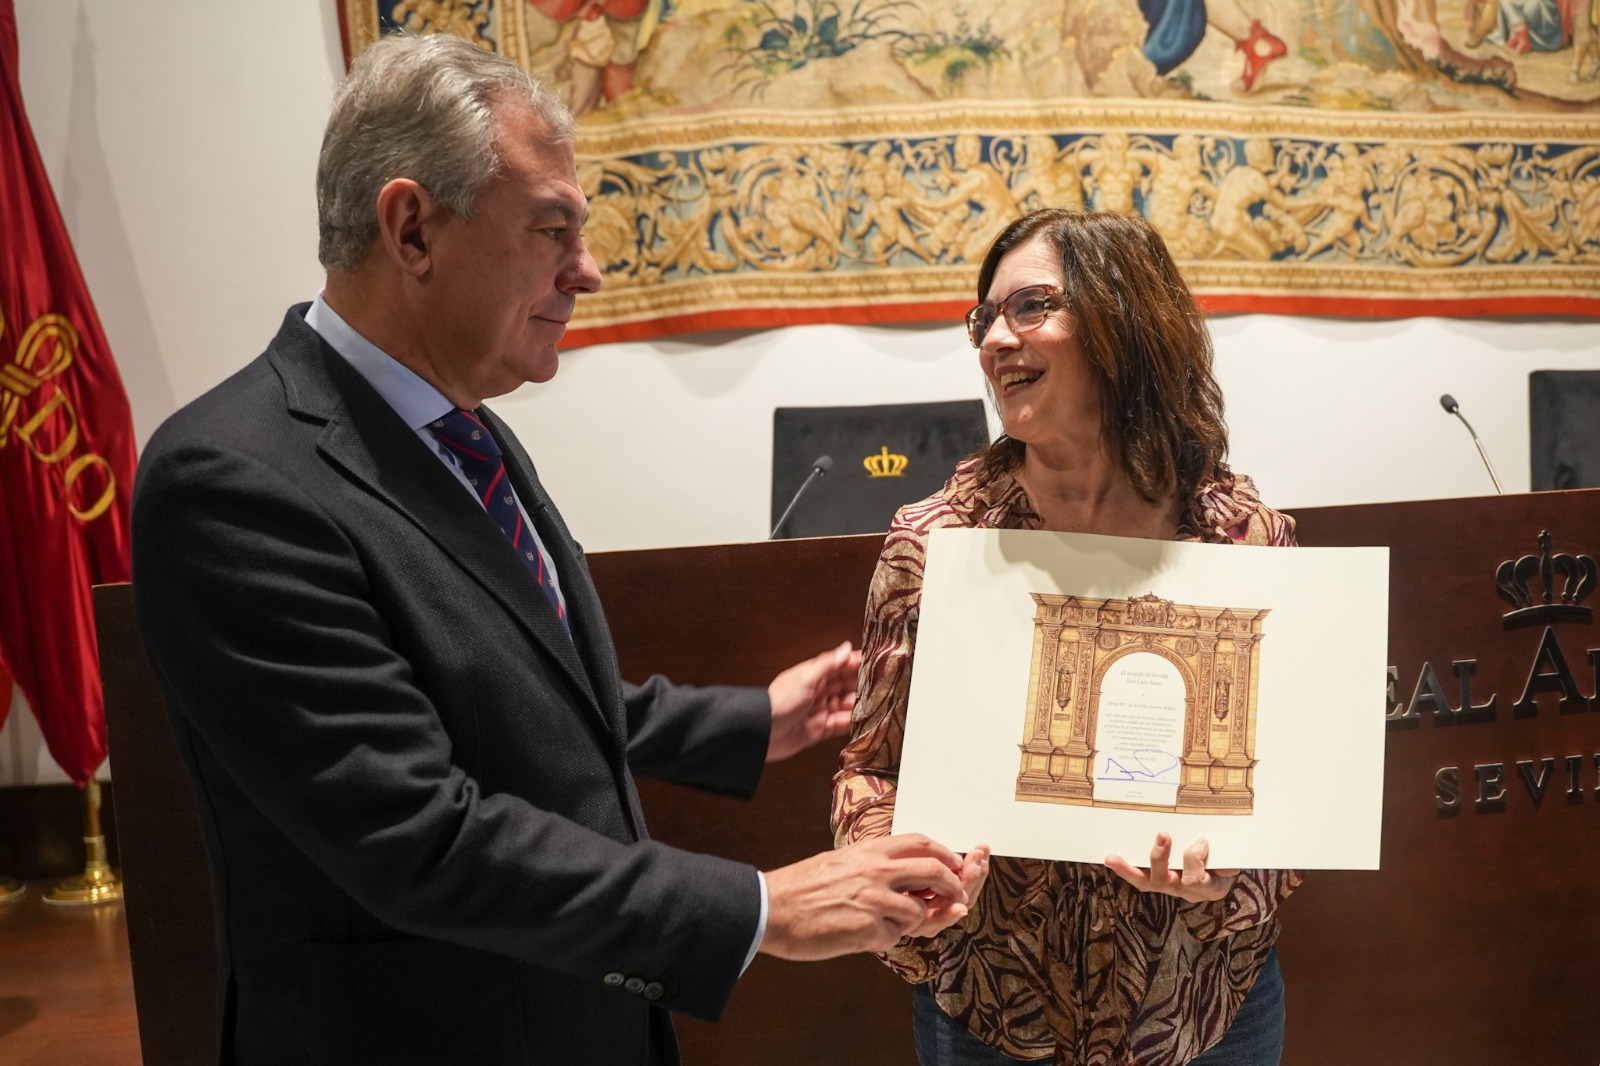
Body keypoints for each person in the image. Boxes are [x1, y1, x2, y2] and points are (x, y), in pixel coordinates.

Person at [130, 32, 982, 1066]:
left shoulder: (464, 427)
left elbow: (522, 695)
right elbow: (416, 833)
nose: (588, 271)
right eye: (551, 230)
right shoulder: (235, 479)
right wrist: (760, 908)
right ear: (411, 230)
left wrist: (755, 721)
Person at [832, 209, 1302, 1065]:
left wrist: (1235, 875)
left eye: (1030, 306)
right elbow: (871, 769)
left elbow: (1296, 783)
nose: (994, 340)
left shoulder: (1241, 538)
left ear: (1124, 320)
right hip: (991, 1010)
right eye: (984, 318)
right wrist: (891, 865)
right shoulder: (935, 543)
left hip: (1204, 1009)